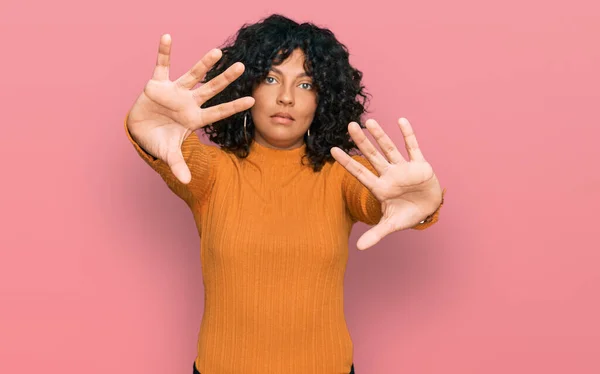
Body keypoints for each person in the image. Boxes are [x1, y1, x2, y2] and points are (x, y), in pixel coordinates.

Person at [124, 14, 445, 374]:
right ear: (248, 87)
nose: (287, 98)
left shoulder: (343, 174)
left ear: (323, 101)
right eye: (272, 78)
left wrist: (420, 206)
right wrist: (147, 128)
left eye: (306, 85)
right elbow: (174, 155)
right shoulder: (212, 172)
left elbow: (379, 199)